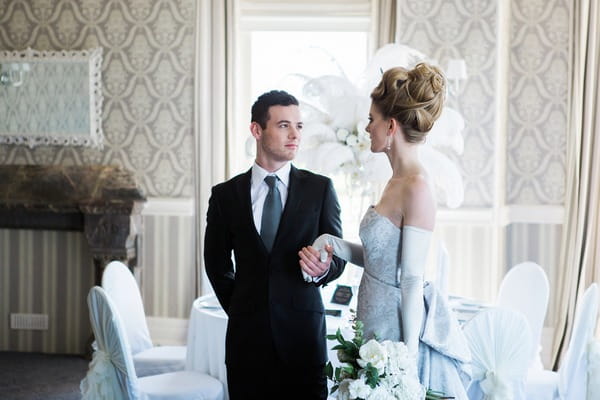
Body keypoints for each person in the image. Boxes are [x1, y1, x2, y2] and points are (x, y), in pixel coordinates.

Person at [300, 63, 471, 399]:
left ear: (390, 126)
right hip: (373, 321)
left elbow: (409, 280)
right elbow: (379, 259)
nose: (366, 128)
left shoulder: (417, 187)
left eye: (371, 119)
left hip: (395, 331)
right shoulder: (395, 182)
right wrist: (331, 242)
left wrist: (406, 361)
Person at [204, 90, 346, 399]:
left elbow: (339, 259)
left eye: (299, 126)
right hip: (246, 343)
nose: (295, 134)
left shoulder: (320, 189)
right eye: (284, 125)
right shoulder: (225, 195)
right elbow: (216, 264)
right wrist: (244, 308)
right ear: (257, 130)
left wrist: (322, 270)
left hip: (303, 340)